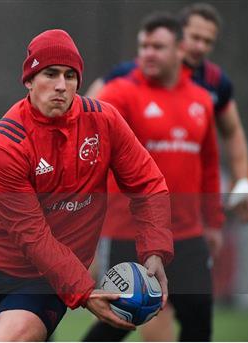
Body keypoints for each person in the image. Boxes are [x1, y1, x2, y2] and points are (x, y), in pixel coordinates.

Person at [0, 29, 174, 342]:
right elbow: (32, 235)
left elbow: (148, 183)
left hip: (44, 277)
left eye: (70, 76)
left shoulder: (104, 121)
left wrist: (155, 251)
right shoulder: (5, 144)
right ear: (29, 80)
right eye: (50, 74)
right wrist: (84, 291)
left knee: (12, 337)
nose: (61, 85)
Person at [82, 13, 224, 342]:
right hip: (128, 234)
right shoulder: (119, 94)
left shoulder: (201, 99)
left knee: (199, 323)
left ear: (180, 49)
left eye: (157, 46)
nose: (147, 53)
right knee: (114, 323)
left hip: (187, 235)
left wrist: (213, 221)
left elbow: (210, 166)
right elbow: (85, 132)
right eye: (143, 46)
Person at [85, 3, 248, 223]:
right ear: (179, 37)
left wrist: (242, 180)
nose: (200, 47)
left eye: (208, 42)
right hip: (132, 213)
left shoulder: (214, 82)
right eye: (195, 37)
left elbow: (232, 131)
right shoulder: (132, 73)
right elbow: (89, 112)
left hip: (187, 212)